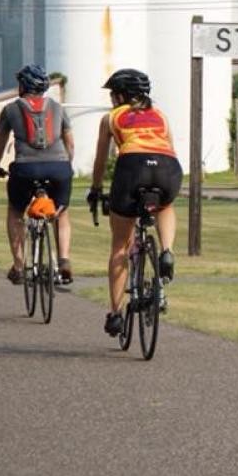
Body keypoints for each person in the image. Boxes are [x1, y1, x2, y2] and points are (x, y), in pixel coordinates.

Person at [87, 68, 182, 336]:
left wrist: (96, 188)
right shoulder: (161, 116)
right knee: (165, 204)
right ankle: (167, 250)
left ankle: (116, 314)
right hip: (167, 167)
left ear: (119, 96)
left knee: (120, 246)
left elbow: (101, 159)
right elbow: (170, 146)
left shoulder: (111, 118)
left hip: (132, 167)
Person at [0, 64, 75, 284]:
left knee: (16, 212)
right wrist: (66, 166)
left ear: (23, 86)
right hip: (59, 168)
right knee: (61, 213)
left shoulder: (10, 109)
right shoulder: (59, 108)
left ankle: (18, 265)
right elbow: (70, 144)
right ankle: (63, 259)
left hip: (25, 169)